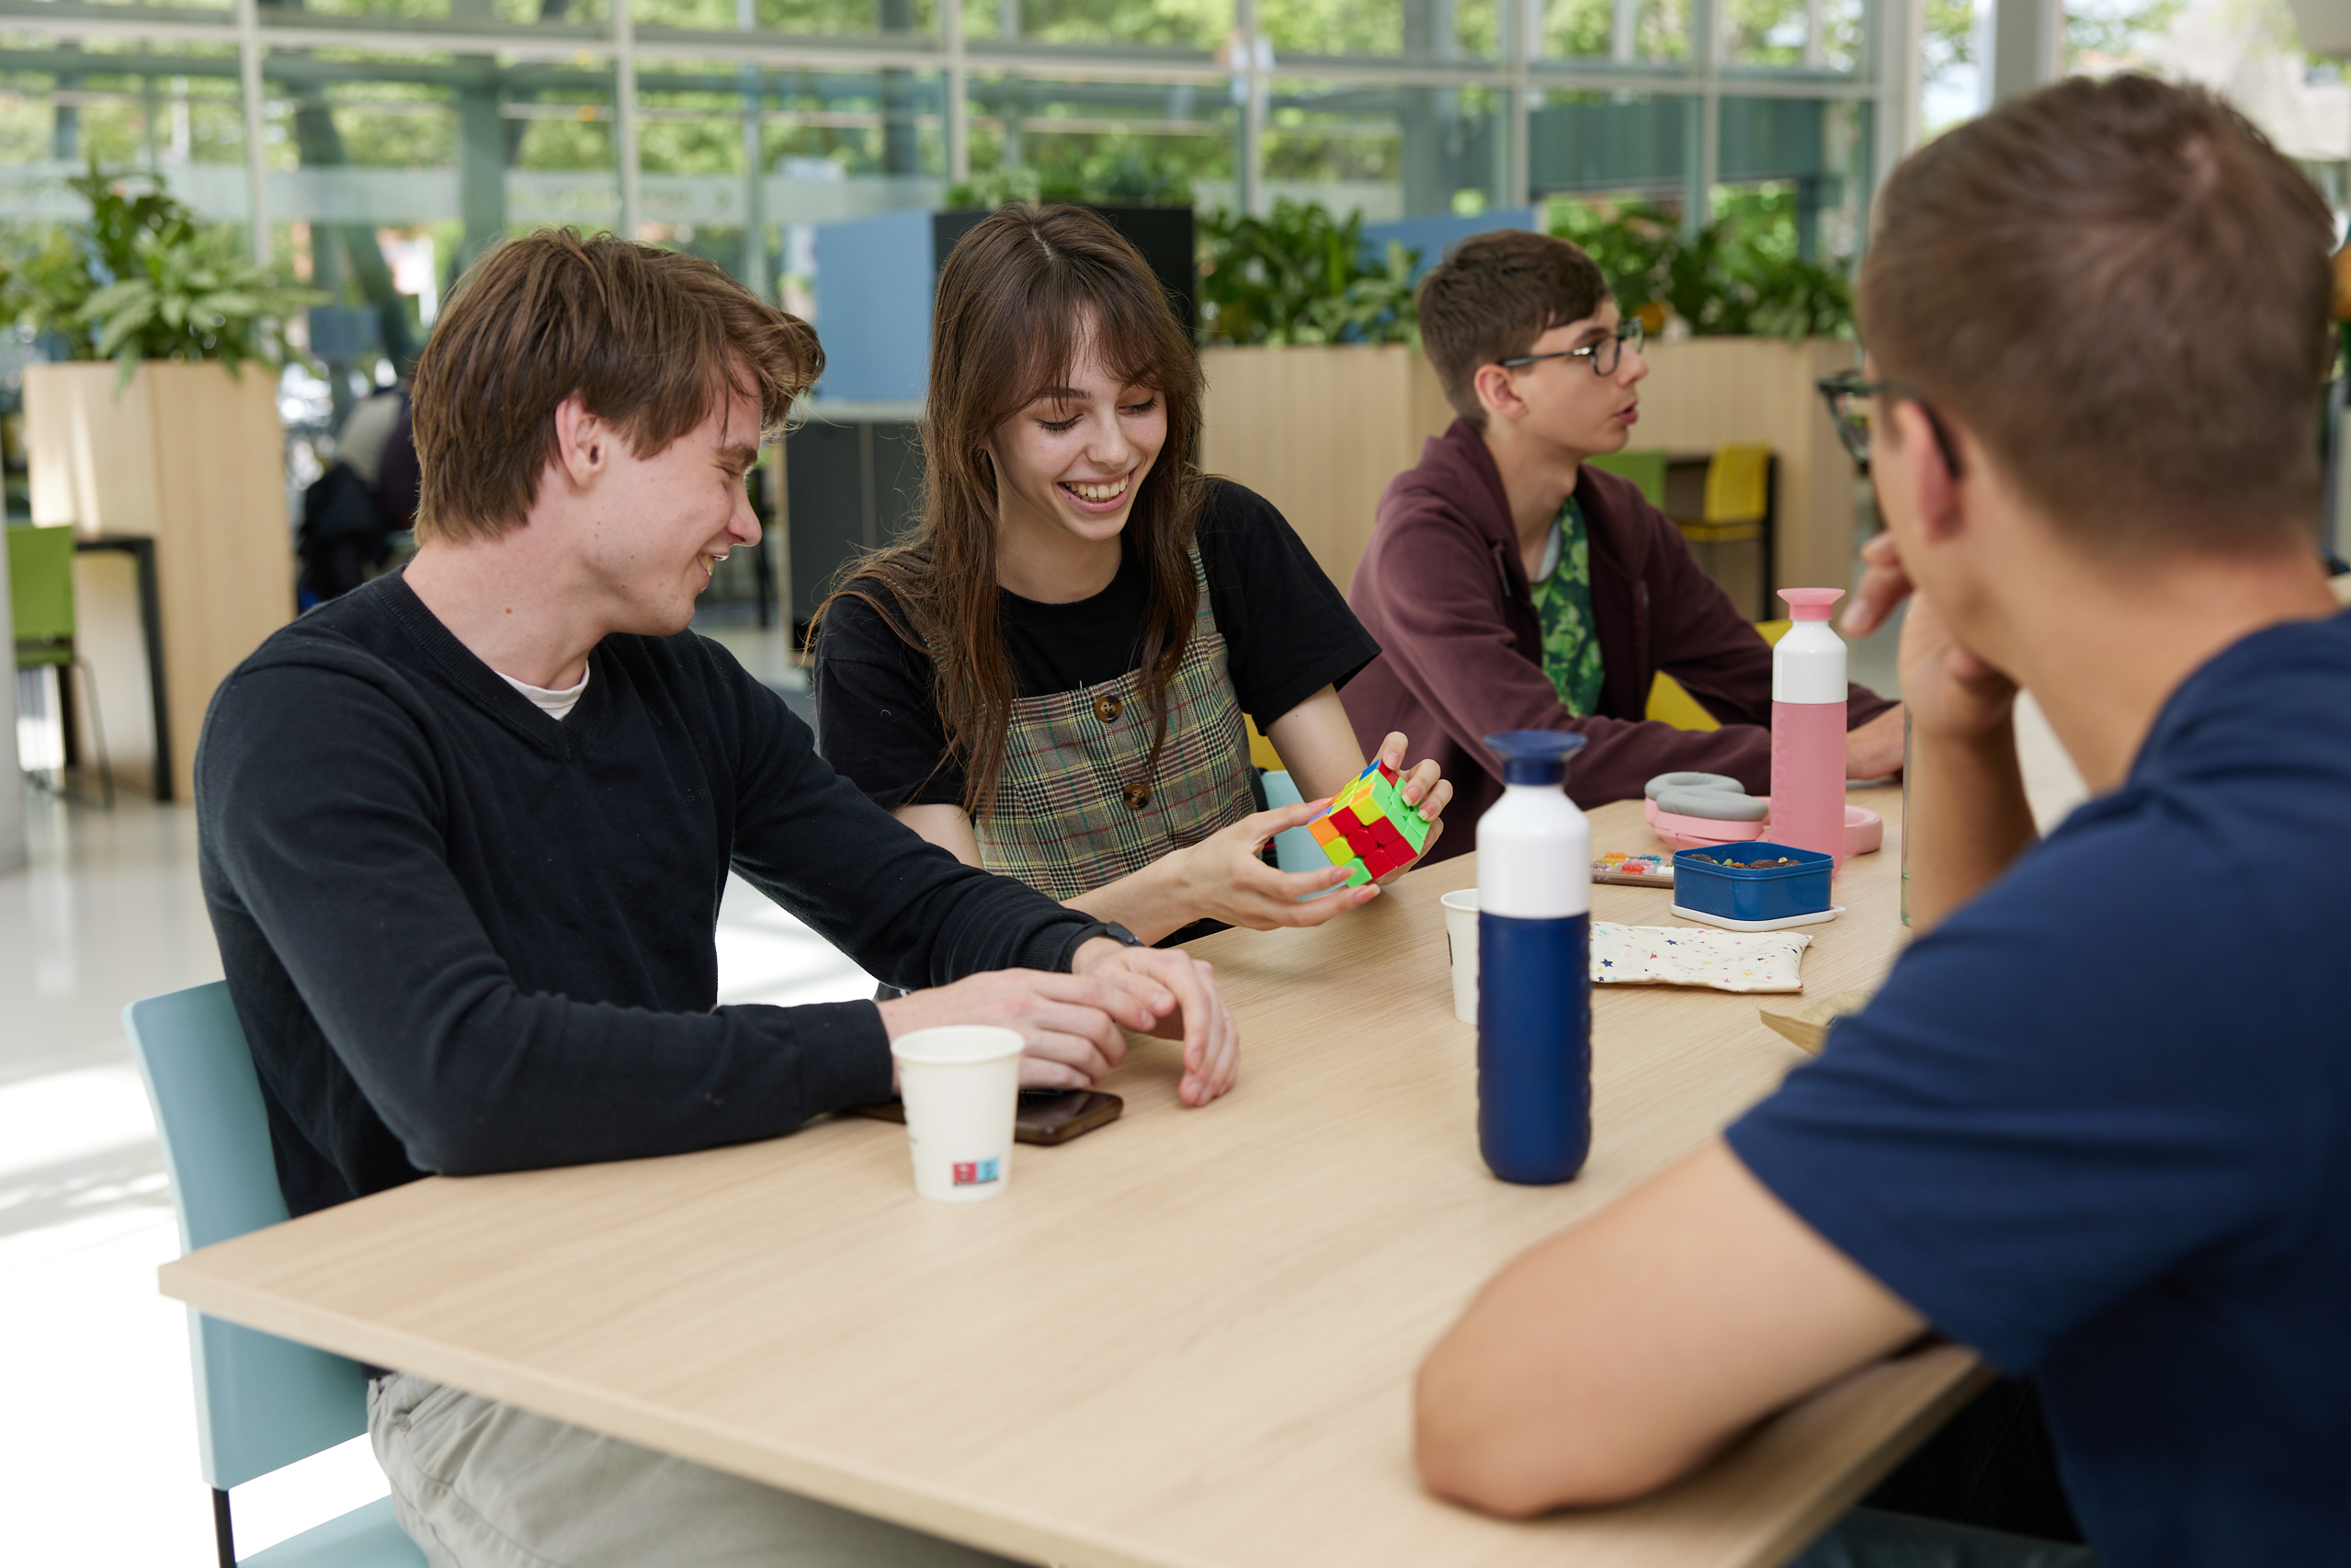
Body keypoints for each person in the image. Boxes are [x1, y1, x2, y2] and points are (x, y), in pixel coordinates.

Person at [1412, 76, 2350, 1567]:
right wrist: (1959, 734)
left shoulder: (2168, 919)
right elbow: (2027, 1060)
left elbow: (1497, 1411)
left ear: (1924, 465)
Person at [198, 229, 1237, 1568]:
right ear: (584, 442)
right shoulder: (311, 720)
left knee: (1122, 1451)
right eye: (728, 469)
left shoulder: (671, 683)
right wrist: (892, 1040)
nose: (748, 523)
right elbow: (468, 1078)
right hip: (492, 1371)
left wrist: (1085, 954)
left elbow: (912, 901)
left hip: (717, 1270)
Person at [814, 202, 1452, 945]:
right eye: (1061, 419)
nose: (1115, 450)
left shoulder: (1226, 536)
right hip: (1042, 1038)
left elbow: (1360, 849)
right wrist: (1185, 888)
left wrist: (1393, 828)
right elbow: (956, 945)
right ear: (976, 421)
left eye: (1141, 403)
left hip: (1248, 1007)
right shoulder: (885, 633)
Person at [1344, 228, 1904, 858]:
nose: (1635, 365)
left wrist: (1912, 727)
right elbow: (1543, 749)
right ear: (1503, 390)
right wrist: (1828, 754)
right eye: (1594, 349)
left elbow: (1747, 674)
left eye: (1623, 338)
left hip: (1589, 861)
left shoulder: (1618, 520)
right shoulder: (1421, 540)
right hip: (1437, 891)